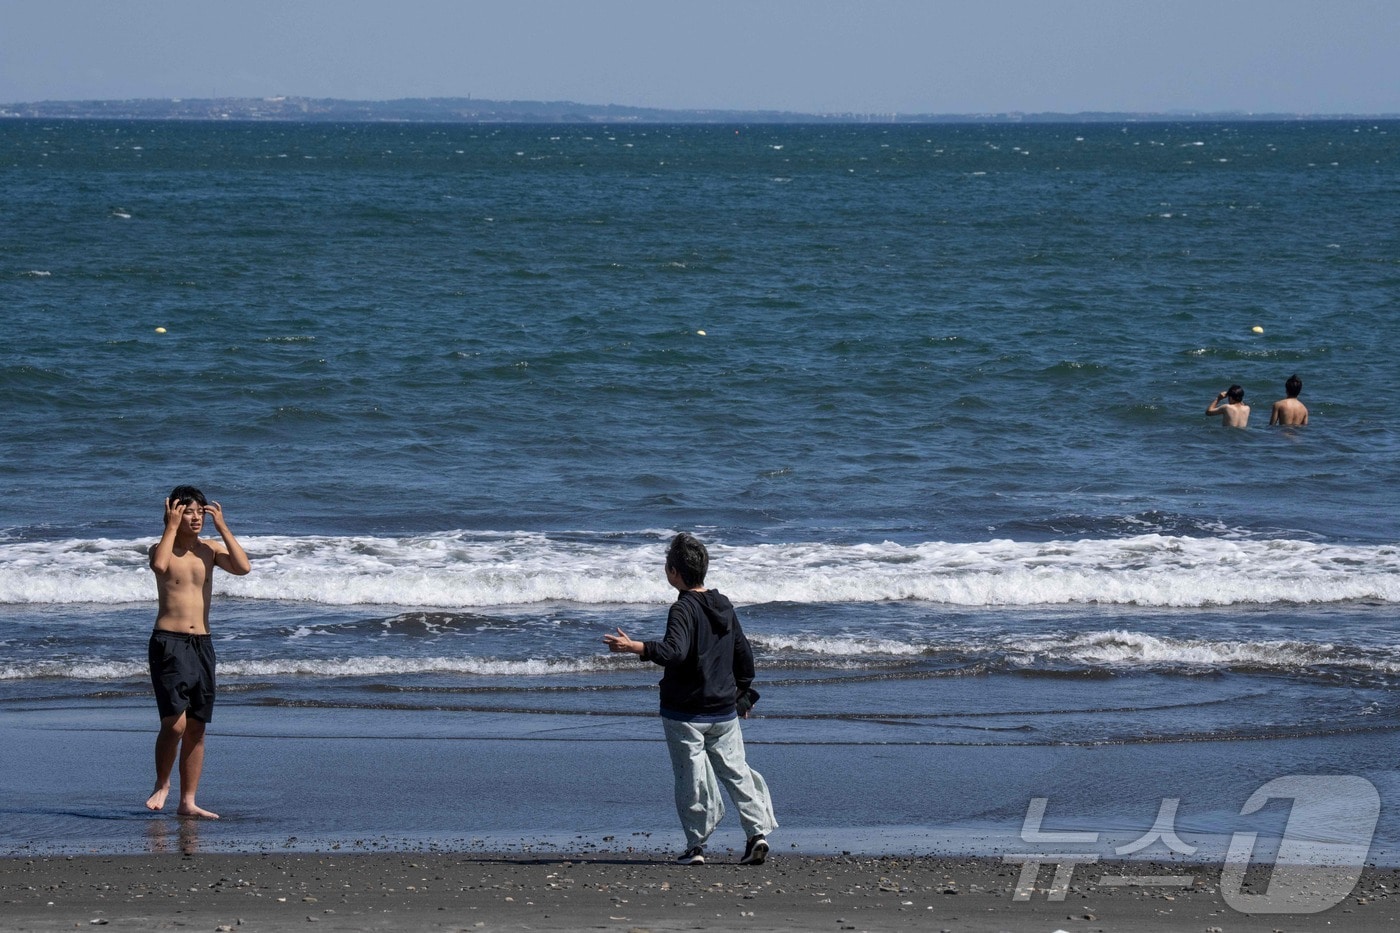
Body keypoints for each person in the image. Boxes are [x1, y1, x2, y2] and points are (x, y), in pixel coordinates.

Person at [604, 533, 777, 865]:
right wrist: (742, 695)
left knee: (692, 779)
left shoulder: (682, 608)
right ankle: (757, 834)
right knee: (737, 773)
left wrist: (634, 647)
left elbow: (674, 652)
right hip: (723, 712)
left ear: (673, 572)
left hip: (685, 713)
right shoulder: (724, 604)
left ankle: (696, 846)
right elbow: (745, 658)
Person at [145, 486, 251, 819]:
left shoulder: (210, 550)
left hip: (202, 644)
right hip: (169, 642)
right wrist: (170, 526)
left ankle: (187, 801)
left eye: (199, 512)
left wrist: (222, 526)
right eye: (188, 511)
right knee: (174, 726)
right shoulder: (162, 548)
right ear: (173, 512)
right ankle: (162, 783)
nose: (195, 517)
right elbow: (160, 567)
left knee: (197, 727)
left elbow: (243, 567)